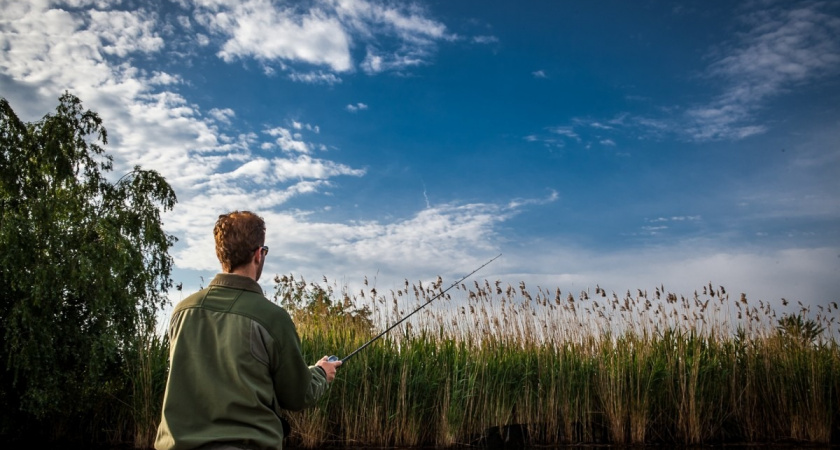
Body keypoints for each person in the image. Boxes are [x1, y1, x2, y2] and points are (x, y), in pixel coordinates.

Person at [155, 210, 341, 450]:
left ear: (220, 254)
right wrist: (320, 374)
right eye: (264, 251)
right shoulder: (272, 318)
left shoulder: (182, 311)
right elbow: (296, 395)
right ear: (258, 254)